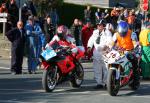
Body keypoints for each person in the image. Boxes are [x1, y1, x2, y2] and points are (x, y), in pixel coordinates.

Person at [87, 20, 113, 89]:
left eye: (100, 25)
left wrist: (107, 46)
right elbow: (91, 39)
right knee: (97, 68)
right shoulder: (95, 32)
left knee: (106, 68)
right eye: (98, 25)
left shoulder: (108, 32)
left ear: (103, 25)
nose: (99, 26)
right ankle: (99, 83)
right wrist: (89, 46)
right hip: (96, 52)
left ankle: (106, 83)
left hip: (105, 52)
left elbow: (110, 40)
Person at [139, 14, 150, 79]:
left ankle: (143, 75)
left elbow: (139, 40)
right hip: (148, 48)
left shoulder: (142, 32)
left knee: (143, 61)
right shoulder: (149, 32)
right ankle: (147, 75)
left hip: (143, 47)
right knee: (148, 61)